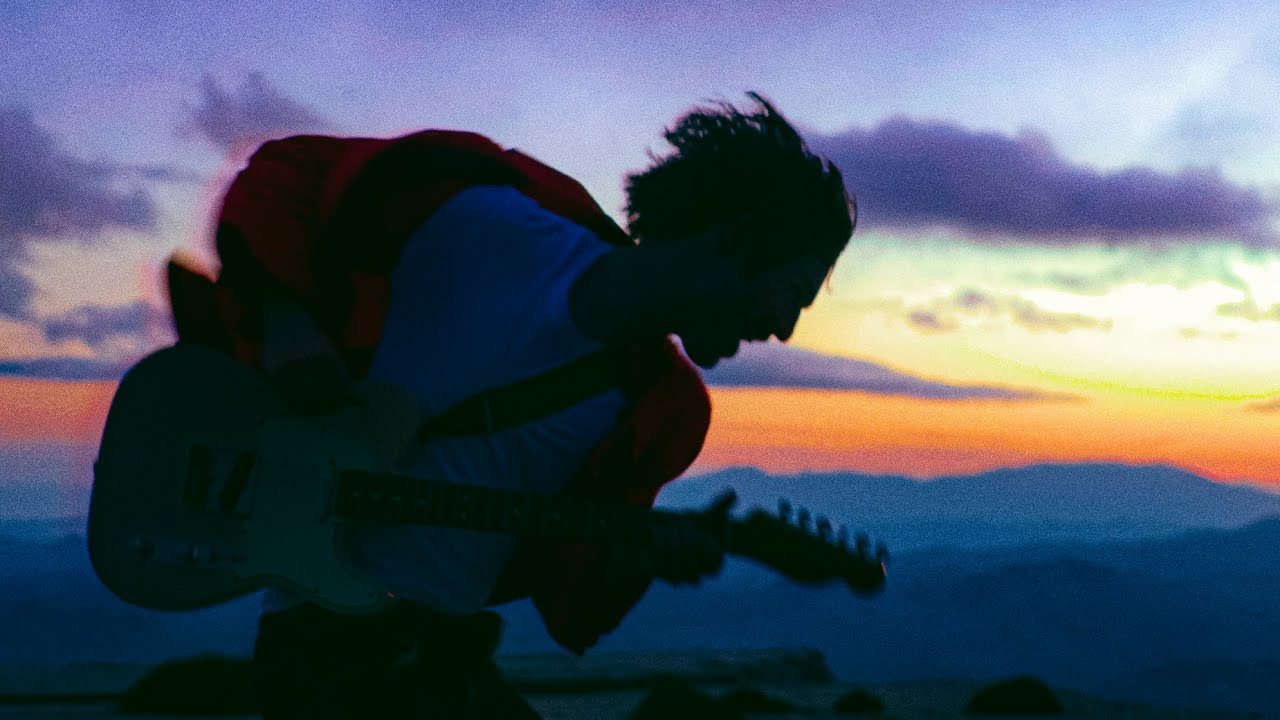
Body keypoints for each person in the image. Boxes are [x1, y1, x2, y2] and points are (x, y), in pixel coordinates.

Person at [165, 92, 857, 718]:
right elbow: (284, 176)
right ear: (735, 240)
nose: (786, 330)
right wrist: (286, 318)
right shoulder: (482, 216)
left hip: (445, 656)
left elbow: (572, 604)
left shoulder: (662, 410)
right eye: (792, 293)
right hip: (324, 646)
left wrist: (647, 557)